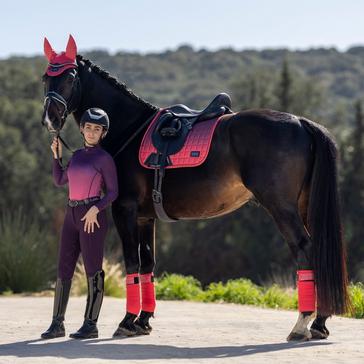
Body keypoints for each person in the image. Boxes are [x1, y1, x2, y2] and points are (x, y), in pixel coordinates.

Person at [41, 108, 118, 340]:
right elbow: (59, 180)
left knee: (93, 270)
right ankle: (57, 324)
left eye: (97, 129)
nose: (92, 132)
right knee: (64, 268)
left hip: (91, 216)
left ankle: (90, 324)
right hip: (71, 214)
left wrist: (96, 208)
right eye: (88, 127)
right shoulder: (76, 157)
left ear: (103, 133)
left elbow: (113, 192)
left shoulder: (104, 159)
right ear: (82, 129)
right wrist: (57, 157)